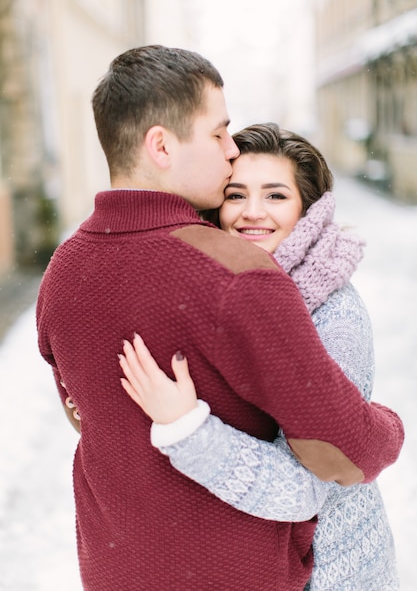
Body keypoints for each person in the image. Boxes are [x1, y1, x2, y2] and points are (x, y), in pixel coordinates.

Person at [36, 46, 403, 591]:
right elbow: (347, 449)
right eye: (217, 134)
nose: (229, 149)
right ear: (160, 145)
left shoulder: (64, 270)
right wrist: (390, 427)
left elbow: (82, 409)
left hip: (116, 569)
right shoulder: (236, 274)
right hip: (232, 573)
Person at [119, 123, 400, 590]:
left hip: (329, 574)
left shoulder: (334, 317)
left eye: (275, 196)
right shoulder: (207, 293)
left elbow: (302, 486)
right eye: (235, 195)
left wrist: (187, 428)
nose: (252, 214)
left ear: (308, 212)